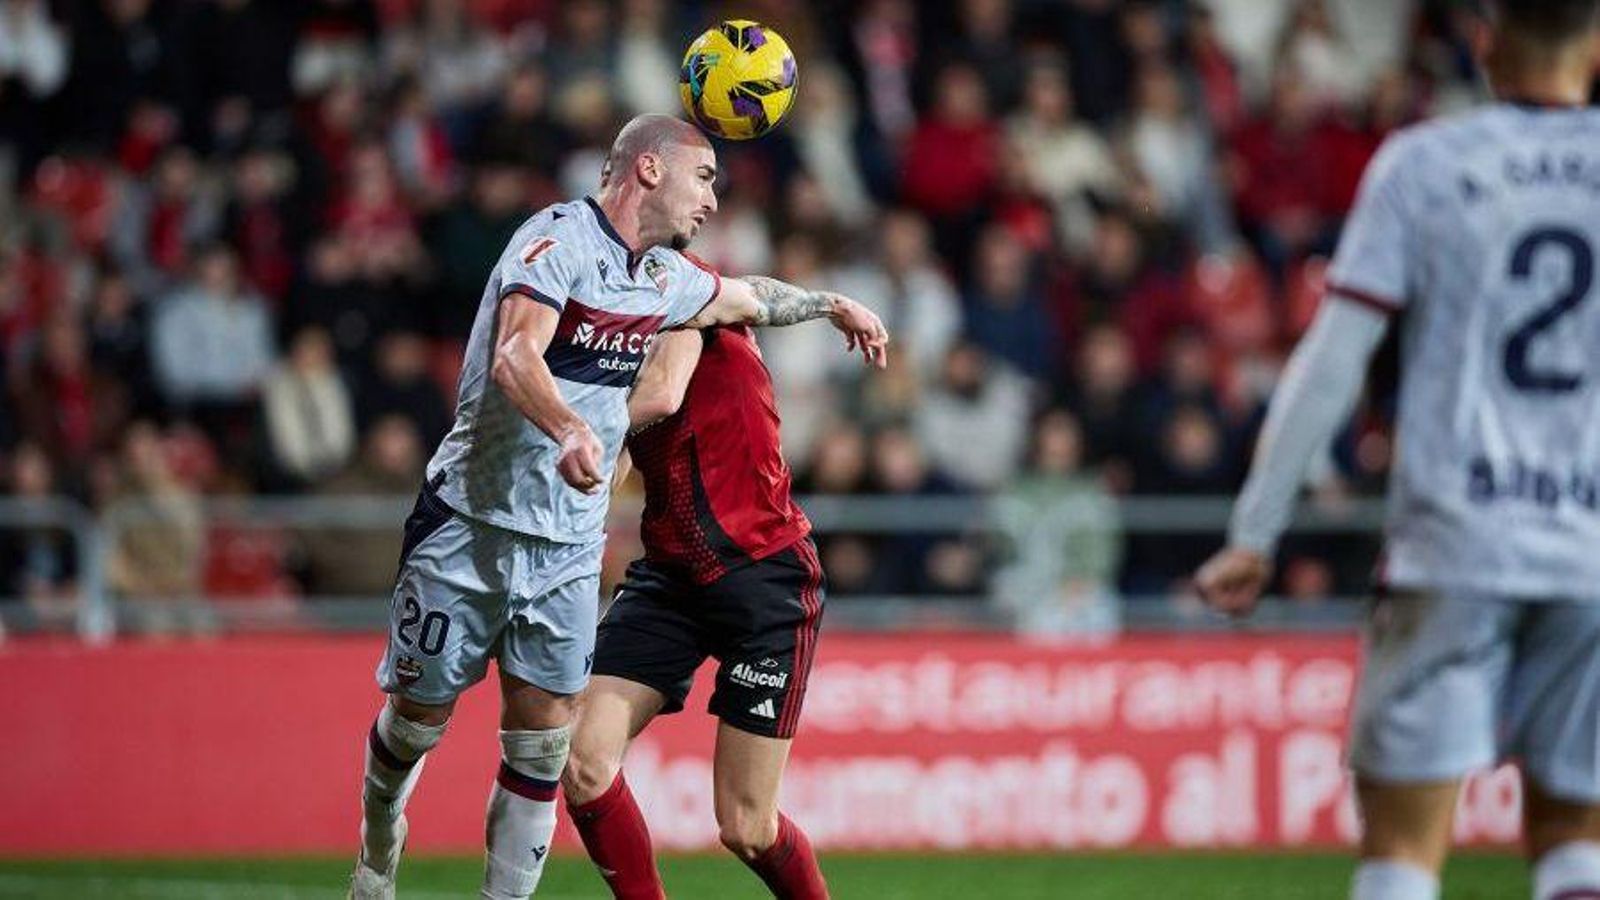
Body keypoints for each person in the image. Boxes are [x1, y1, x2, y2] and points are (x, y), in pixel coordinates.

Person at [348, 113, 887, 900]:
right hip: (469, 527)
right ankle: (378, 836)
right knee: (414, 725)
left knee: (546, 749)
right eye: (704, 178)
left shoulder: (667, 285)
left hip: (574, 547)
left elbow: (750, 297)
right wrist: (570, 427)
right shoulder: (556, 240)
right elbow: (513, 352)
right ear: (649, 170)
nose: (713, 198)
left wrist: (831, 303)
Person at [1195, 4, 1600, 899]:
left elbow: (1334, 359)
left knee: (1404, 849)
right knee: (1579, 839)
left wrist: (1256, 531)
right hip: (1592, 553)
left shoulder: (1427, 165)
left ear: (1488, 43)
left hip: (1456, 539)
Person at [559, 303, 853, 898]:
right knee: (582, 759)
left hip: (764, 575)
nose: (707, 204)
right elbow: (611, 465)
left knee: (747, 827)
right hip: (671, 577)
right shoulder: (615, 343)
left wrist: (567, 419)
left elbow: (663, 394)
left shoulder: (687, 300)